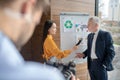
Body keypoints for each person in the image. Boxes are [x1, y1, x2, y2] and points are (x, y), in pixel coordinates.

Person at [0, 0, 65, 80]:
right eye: (35, 22)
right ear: (27, 7)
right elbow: (59, 54)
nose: (55, 29)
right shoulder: (47, 77)